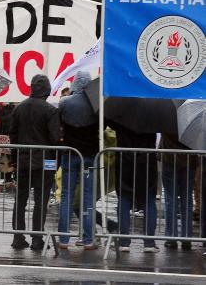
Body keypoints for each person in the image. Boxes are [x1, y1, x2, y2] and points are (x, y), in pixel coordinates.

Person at [9, 74, 61, 251]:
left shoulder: (19, 108)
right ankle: (37, 237)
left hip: (23, 160)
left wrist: (14, 160)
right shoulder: (51, 111)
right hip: (44, 162)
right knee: (40, 201)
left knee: (20, 199)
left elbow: (13, 137)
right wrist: (55, 163)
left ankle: (18, 236)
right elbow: (55, 139)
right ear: (46, 90)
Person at [56, 71, 98, 250]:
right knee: (88, 198)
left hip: (70, 153)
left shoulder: (65, 103)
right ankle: (88, 239)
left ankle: (63, 239)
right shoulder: (96, 104)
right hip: (89, 155)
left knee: (66, 195)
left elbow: (59, 125)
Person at [109, 120, 159, 253]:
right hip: (147, 162)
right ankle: (149, 243)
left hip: (125, 161)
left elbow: (110, 123)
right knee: (149, 200)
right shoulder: (154, 115)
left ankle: (124, 241)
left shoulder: (121, 114)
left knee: (124, 199)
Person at [159, 131, 196, 251]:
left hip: (169, 158)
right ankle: (187, 238)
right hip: (189, 159)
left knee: (170, 199)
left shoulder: (166, 116)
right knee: (187, 199)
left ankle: (171, 237)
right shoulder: (190, 116)